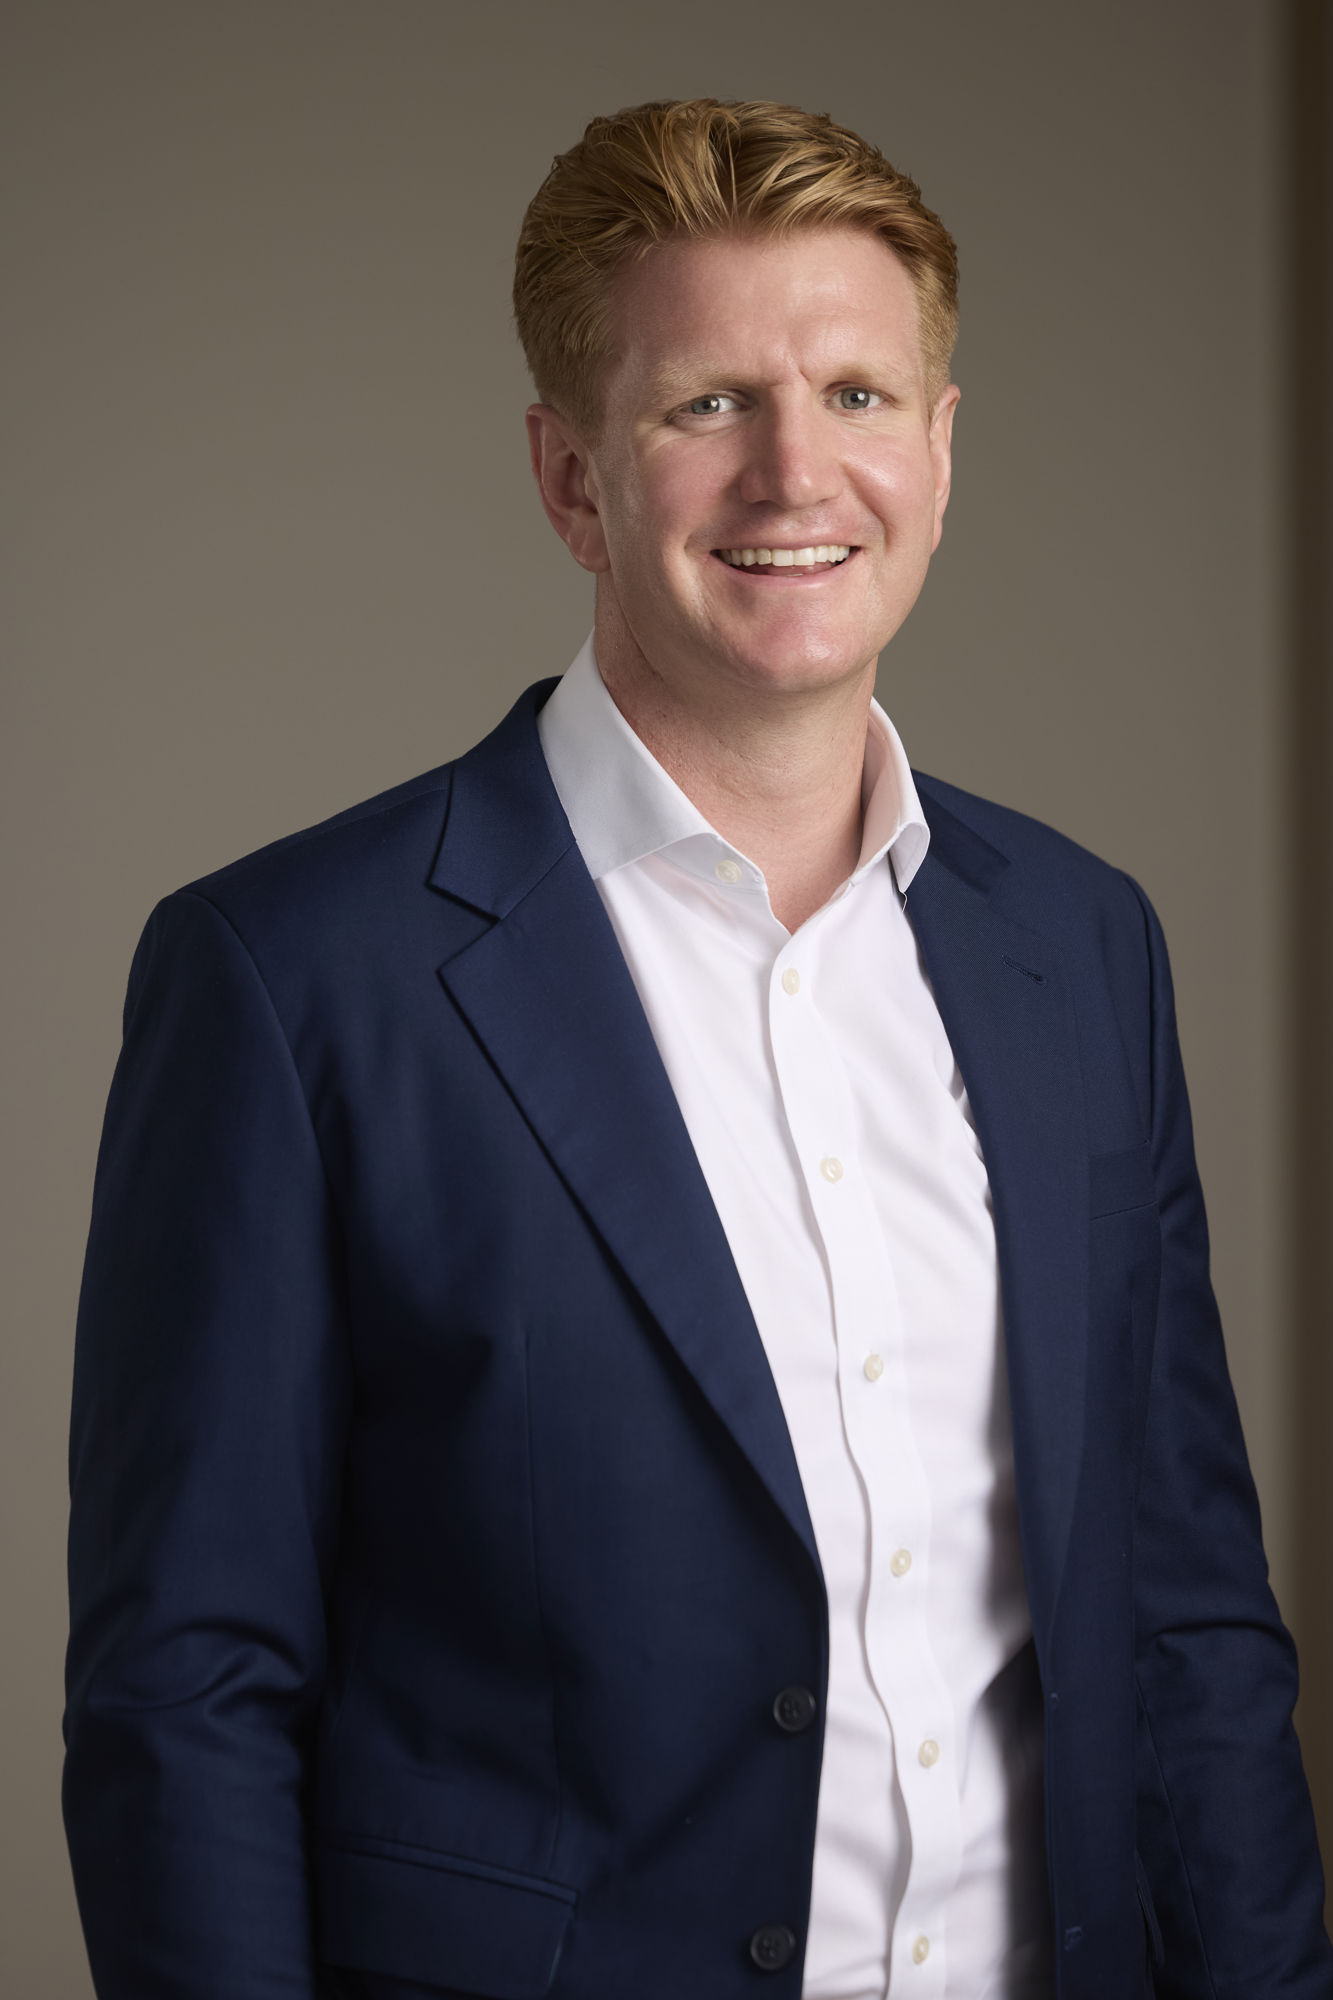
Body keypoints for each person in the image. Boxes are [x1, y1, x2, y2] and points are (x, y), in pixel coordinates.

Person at [63, 98, 1331, 2000]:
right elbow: (188, 1691)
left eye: (856, 395)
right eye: (705, 406)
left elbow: (1185, 1616)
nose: (794, 474)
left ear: (943, 446)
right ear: (573, 479)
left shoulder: (1083, 945)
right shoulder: (290, 976)